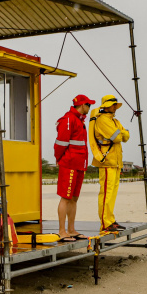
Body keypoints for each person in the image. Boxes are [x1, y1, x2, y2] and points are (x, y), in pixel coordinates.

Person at [54, 94, 95, 242]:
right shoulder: (68, 119)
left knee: (74, 198)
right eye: (88, 105)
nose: (90, 108)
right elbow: (60, 143)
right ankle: (62, 231)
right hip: (69, 164)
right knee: (65, 197)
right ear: (82, 105)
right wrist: (59, 159)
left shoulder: (79, 120)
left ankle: (71, 229)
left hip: (79, 165)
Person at [89, 95, 130, 232]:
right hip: (107, 161)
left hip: (116, 162)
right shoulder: (102, 120)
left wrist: (122, 133)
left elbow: (126, 137)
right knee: (106, 193)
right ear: (106, 106)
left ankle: (110, 220)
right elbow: (118, 137)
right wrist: (122, 132)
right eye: (113, 105)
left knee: (112, 193)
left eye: (115, 105)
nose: (115, 107)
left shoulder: (114, 121)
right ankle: (105, 223)